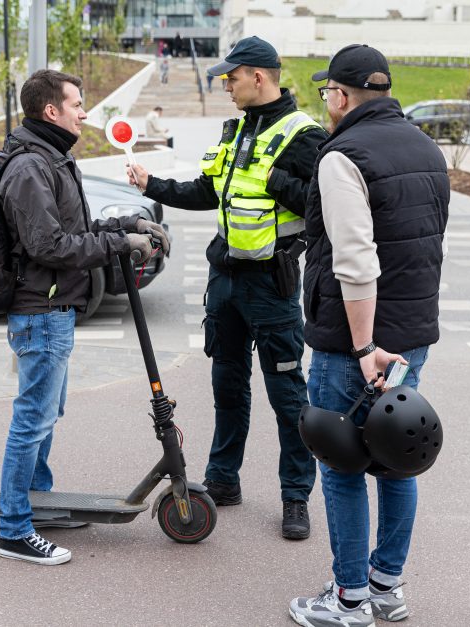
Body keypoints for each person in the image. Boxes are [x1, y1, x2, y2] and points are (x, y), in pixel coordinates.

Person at [127, 36, 328, 540]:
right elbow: (208, 190)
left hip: (272, 283)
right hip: (226, 281)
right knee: (227, 387)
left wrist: (280, 183)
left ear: (258, 76)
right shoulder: (236, 128)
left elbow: (323, 206)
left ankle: (295, 496)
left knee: (287, 396)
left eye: (231, 77)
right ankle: (223, 480)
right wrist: (152, 185)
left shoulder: (303, 135)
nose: (226, 86)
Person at [280, 44, 448, 625]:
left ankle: (348, 600)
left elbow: (356, 260)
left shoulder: (341, 155)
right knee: (396, 456)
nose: (327, 102)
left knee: (344, 462)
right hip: (412, 333)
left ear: (342, 96)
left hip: (358, 340)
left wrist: (360, 347)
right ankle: (386, 588)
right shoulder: (426, 147)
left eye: (328, 93)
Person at [0, 69, 169, 566]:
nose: (84, 111)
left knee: (46, 414)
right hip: (41, 309)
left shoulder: (52, 158)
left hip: (55, 308)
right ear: (51, 110)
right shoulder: (31, 167)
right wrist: (120, 243)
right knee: (32, 420)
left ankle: (35, 500)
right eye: (76, 103)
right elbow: (48, 245)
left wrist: (127, 223)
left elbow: (73, 228)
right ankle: (14, 528)